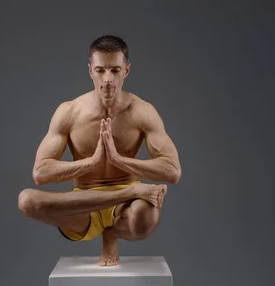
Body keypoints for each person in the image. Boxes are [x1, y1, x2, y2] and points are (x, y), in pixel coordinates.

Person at [18, 35, 181, 266]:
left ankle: (112, 233)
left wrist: (119, 160)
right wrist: (91, 162)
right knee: (27, 201)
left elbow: (172, 171)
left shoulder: (142, 112)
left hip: (125, 209)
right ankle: (131, 193)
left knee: (148, 216)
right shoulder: (70, 112)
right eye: (100, 70)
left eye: (115, 70)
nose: (107, 79)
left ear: (126, 70)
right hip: (84, 204)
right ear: (90, 71)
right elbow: (41, 173)